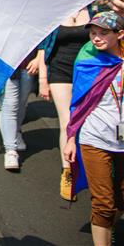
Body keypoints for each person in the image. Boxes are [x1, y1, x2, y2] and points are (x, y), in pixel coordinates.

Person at [63, 12, 124, 246]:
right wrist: (70, 139)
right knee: (103, 203)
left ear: (120, 34)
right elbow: (78, 105)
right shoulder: (88, 62)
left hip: (121, 139)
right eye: (93, 32)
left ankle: (109, 229)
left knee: (121, 199)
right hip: (94, 138)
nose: (95, 38)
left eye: (103, 33)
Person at [35, 7, 91, 200]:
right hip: (60, 71)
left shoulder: (95, 10)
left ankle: (89, 169)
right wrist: (43, 79)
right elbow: (44, 45)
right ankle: (68, 173)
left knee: (87, 122)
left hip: (87, 73)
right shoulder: (58, 7)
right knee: (67, 123)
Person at [0, 51, 37, 171]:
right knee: (9, 104)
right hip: (6, 63)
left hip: (29, 62)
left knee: (22, 103)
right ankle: (10, 150)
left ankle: (16, 131)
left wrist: (40, 58)